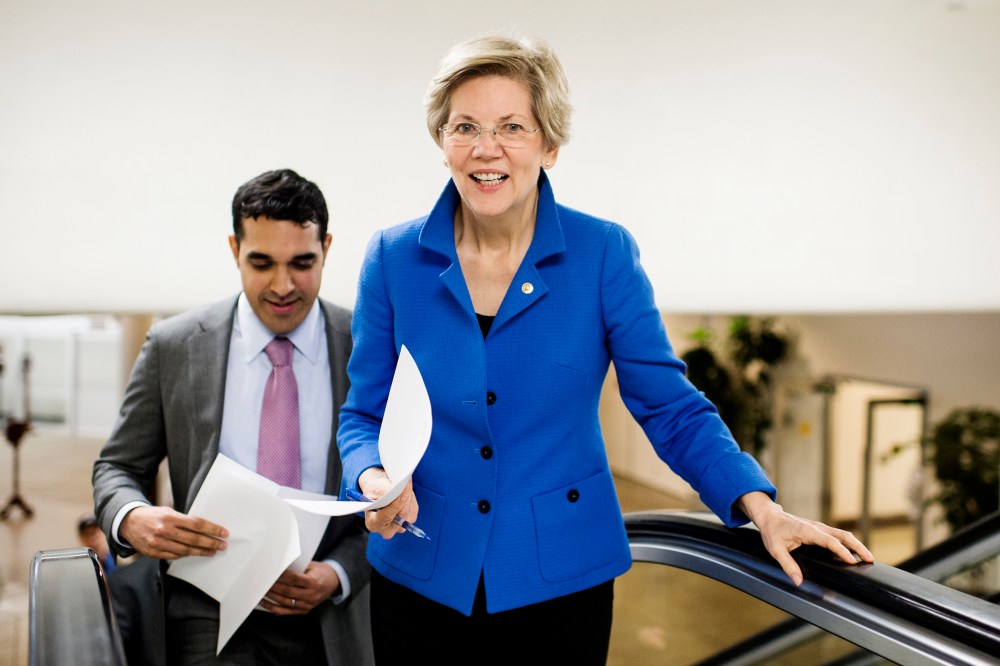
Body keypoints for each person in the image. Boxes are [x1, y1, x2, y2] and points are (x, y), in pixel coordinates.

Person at [336, 35, 875, 664]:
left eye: (512, 126)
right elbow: (362, 415)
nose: (487, 149)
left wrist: (763, 509)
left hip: (561, 582)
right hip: (420, 572)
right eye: (465, 127)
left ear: (550, 143)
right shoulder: (392, 257)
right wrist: (372, 478)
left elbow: (669, 406)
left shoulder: (602, 254)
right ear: (442, 142)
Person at [93, 168, 374, 665]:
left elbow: (399, 489)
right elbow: (117, 467)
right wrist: (131, 517)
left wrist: (340, 572)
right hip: (208, 613)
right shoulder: (174, 345)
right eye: (261, 263)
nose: (283, 285)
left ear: (327, 248)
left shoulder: (367, 346)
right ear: (233, 249)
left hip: (331, 618)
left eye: (302, 263)